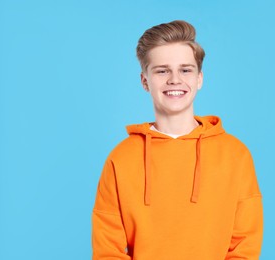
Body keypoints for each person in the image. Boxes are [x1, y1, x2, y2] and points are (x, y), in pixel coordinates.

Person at [92, 20, 263, 260]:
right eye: (162, 70)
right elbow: (107, 250)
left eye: (185, 70)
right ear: (144, 81)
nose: (174, 79)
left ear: (199, 79)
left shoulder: (235, 154)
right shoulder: (121, 158)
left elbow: (244, 245)